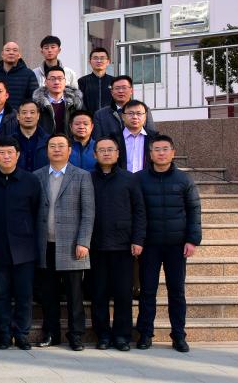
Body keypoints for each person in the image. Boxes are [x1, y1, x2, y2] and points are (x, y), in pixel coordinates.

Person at [135, 135, 201, 353]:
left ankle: (179, 335)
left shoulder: (184, 180)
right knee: (147, 291)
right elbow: (135, 212)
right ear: (150, 154)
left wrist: (192, 240)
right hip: (149, 245)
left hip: (177, 245)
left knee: (177, 292)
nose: (161, 153)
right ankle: (145, 334)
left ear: (173, 152)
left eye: (165, 149)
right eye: (156, 149)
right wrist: (137, 240)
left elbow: (194, 210)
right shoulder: (139, 179)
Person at [34, 134, 94, 351]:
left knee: (74, 294)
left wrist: (83, 241)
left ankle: (76, 335)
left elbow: (88, 212)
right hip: (45, 245)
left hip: (72, 245)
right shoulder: (37, 176)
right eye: (52, 146)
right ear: (47, 150)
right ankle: (51, 333)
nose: (57, 149)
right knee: (48, 294)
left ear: (70, 150)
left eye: (61, 146)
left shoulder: (82, 176)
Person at [90, 136, 146, 352]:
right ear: (95, 154)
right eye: (102, 150)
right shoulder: (88, 178)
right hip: (95, 245)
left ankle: (122, 335)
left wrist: (138, 239)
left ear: (118, 153)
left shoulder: (130, 179)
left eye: (110, 149)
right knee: (99, 294)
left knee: (123, 294)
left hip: (123, 246)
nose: (106, 153)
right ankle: (103, 334)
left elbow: (139, 211)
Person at [0, 137, 40, 351]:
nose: (6, 156)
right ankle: (4, 334)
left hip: (24, 248)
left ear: (18, 155)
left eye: (10, 153)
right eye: (2, 153)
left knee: (24, 295)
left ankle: (22, 334)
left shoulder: (31, 181)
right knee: (1, 294)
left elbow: (36, 212)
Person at [92, 75, 158, 139]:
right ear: (112, 92)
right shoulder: (100, 115)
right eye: (117, 88)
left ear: (131, 91)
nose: (121, 91)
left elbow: (152, 136)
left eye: (124, 88)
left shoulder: (144, 110)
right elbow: (98, 140)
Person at [33, 65, 85, 136]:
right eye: (52, 79)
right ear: (45, 82)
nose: (56, 82)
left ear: (65, 81)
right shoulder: (37, 104)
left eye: (60, 79)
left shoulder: (76, 103)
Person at [0, 42, 36, 109]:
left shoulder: (29, 74)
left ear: (19, 55)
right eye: (7, 50)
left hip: (19, 114)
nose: (11, 53)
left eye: (15, 50)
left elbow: (33, 98)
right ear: (2, 54)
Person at [115, 100, 157, 174]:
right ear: (123, 116)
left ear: (145, 116)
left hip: (147, 180)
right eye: (130, 113)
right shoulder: (114, 138)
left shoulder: (155, 138)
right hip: (121, 180)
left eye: (139, 113)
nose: (135, 117)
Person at [11, 100, 50, 173]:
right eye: (24, 113)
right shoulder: (9, 140)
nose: (28, 116)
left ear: (38, 116)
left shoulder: (49, 140)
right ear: (18, 116)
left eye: (32, 112)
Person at [78, 47, 114, 114]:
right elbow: (79, 103)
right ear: (90, 62)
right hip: (89, 119)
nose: (99, 61)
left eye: (102, 58)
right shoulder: (82, 81)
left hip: (110, 118)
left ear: (108, 62)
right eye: (95, 58)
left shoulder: (114, 81)